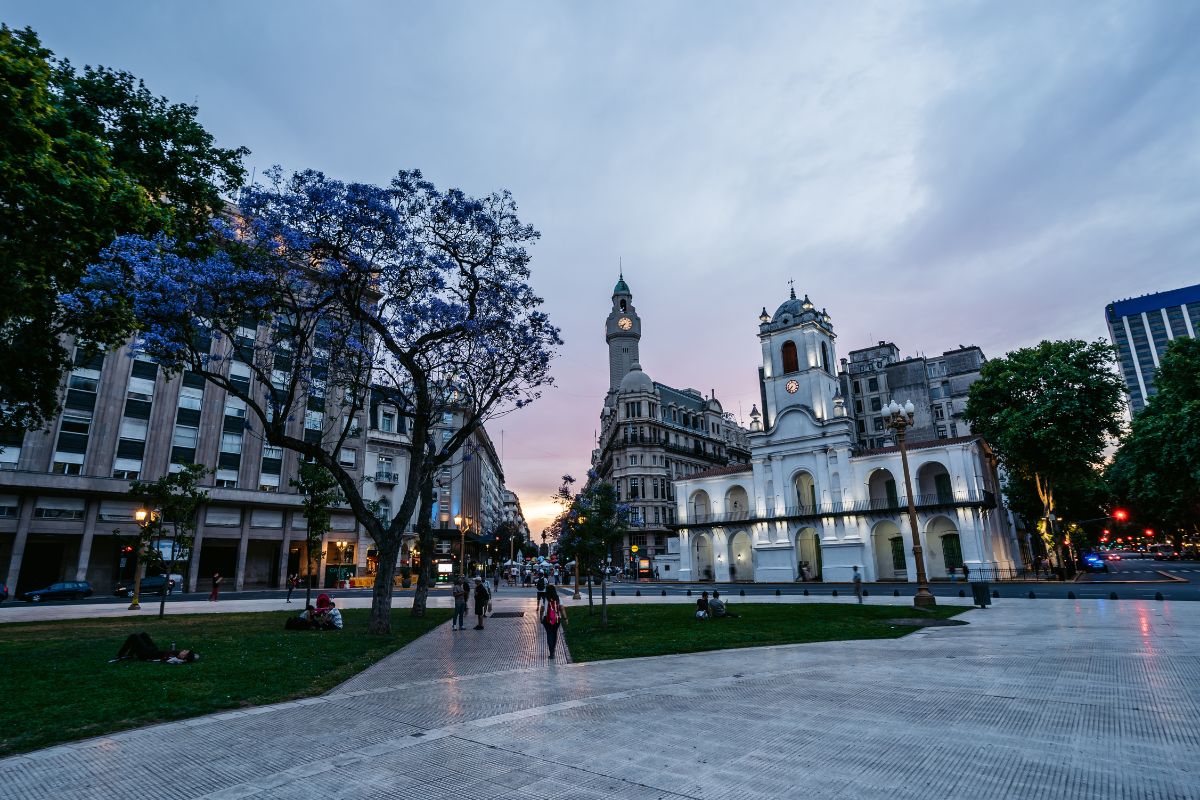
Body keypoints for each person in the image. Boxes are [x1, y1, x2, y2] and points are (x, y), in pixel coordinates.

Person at [111, 632, 200, 663]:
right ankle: (130, 654)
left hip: (147, 655)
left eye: (185, 652)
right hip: (154, 651)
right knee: (143, 635)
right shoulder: (177, 655)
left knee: (134, 636)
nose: (183, 650)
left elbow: (167, 658)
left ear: (183, 657)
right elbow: (195, 656)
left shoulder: (175, 659)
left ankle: (120, 655)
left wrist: (182, 659)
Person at [541, 583, 567, 660]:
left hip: (547, 619)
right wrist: (565, 618)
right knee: (554, 633)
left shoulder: (544, 598)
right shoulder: (558, 598)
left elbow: (542, 609)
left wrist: (540, 617)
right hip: (557, 619)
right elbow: (562, 608)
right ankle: (554, 649)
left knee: (549, 634)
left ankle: (551, 652)